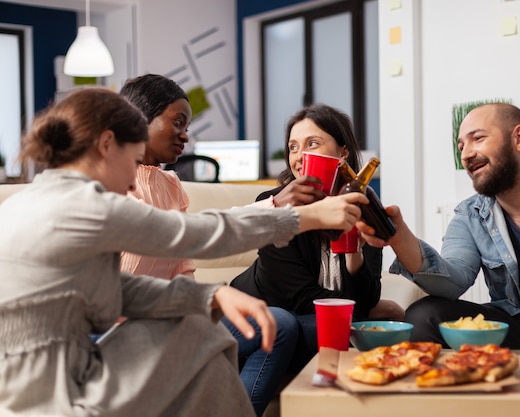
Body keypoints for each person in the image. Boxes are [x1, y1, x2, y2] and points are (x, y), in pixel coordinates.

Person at [0, 87, 368, 417]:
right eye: (132, 162)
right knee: (199, 334)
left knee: (200, 333)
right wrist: (302, 217)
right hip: (56, 394)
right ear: (106, 145)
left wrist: (211, 294)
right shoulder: (85, 206)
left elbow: (118, 287)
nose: (132, 181)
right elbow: (197, 234)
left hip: (45, 375)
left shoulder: (34, 199)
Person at [357, 102, 520, 417]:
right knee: (423, 313)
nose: (466, 153)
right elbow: (452, 281)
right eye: (461, 145)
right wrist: (398, 236)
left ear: (519, 138)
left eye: (477, 139)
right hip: (513, 335)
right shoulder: (469, 216)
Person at [118, 73, 298, 417]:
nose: (186, 135)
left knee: (278, 324)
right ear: (139, 119)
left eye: (188, 124)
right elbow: (180, 232)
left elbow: (183, 268)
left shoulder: (172, 185)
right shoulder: (113, 185)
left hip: (174, 318)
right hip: (124, 328)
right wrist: (274, 205)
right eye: (178, 123)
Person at [231, 103, 404, 371]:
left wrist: (354, 254)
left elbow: (368, 296)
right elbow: (300, 297)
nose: (299, 156)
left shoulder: (363, 207)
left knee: (370, 326)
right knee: (346, 330)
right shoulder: (273, 204)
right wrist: (364, 311)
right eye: (293, 147)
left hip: (306, 318)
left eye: (312, 143)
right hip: (263, 317)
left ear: (343, 152)